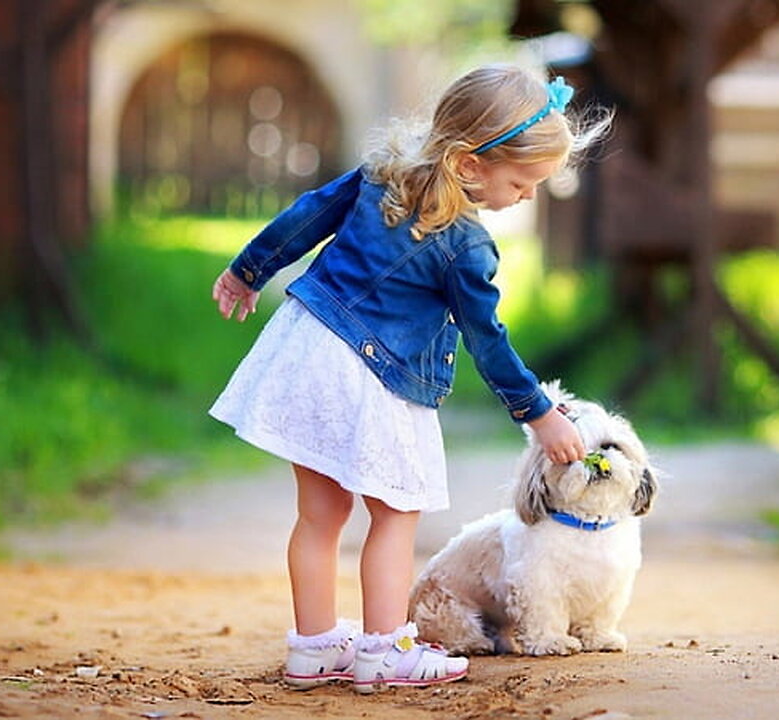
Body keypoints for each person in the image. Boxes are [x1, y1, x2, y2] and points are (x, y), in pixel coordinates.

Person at [209, 64, 608, 693]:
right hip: (368, 373)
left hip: (306, 349)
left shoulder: (379, 176)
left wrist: (247, 271)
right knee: (396, 513)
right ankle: (385, 649)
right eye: (523, 181)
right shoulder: (466, 248)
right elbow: (487, 341)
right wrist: (539, 413)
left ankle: (314, 647)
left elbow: (306, 216)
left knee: (321, 513)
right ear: (472, 165)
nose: (529, 195)